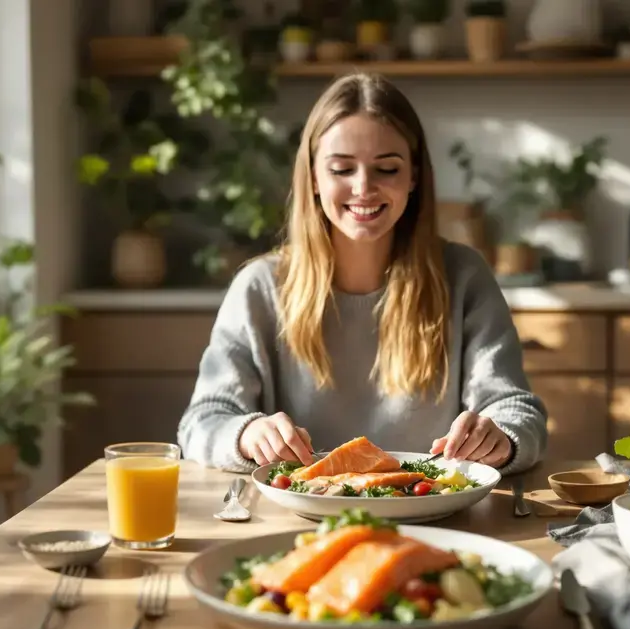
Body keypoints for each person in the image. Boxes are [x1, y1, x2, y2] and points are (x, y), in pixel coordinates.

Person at [177, 72, 547, 475]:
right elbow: (202, 422)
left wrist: (501, 438)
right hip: (297, 520)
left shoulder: (464, 277)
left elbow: (517, 411)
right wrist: (247, 433)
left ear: (414, 177)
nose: (364, 187)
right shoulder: (260, 287)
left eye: (386, 169)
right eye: (341, 169)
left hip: (434, 515)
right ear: (314, 178)